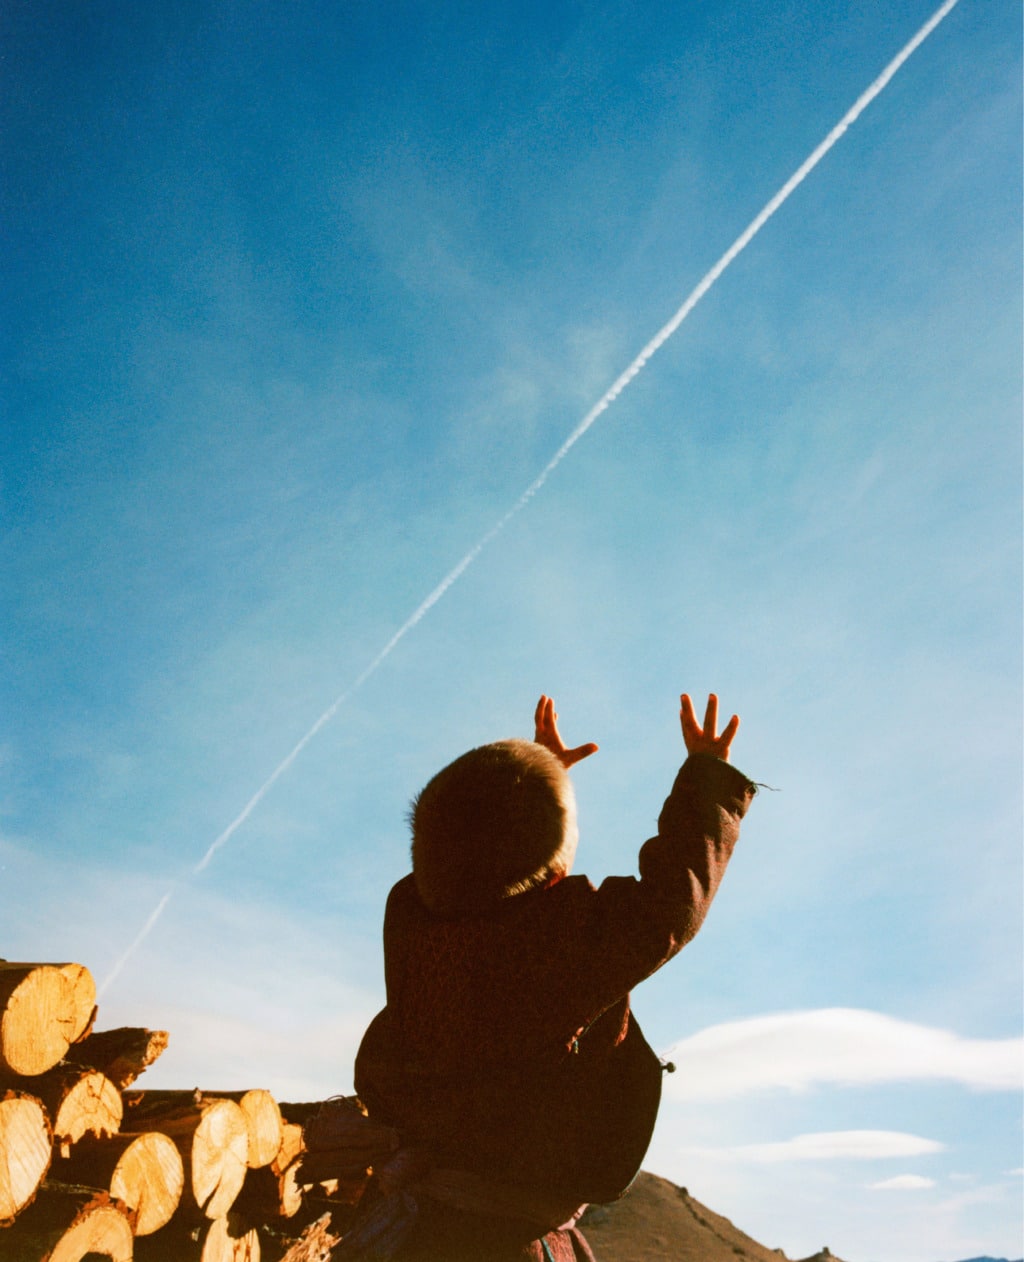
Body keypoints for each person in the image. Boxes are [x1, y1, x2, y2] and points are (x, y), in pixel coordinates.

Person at [338, 691, 756, 1261]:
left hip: (417, 1225)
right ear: (555, 870)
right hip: (504, 1239)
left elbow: (473, 855)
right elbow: (669, 903)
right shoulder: (561, 938)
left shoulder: (412, 920)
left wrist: (533, 781)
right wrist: (708, 781)